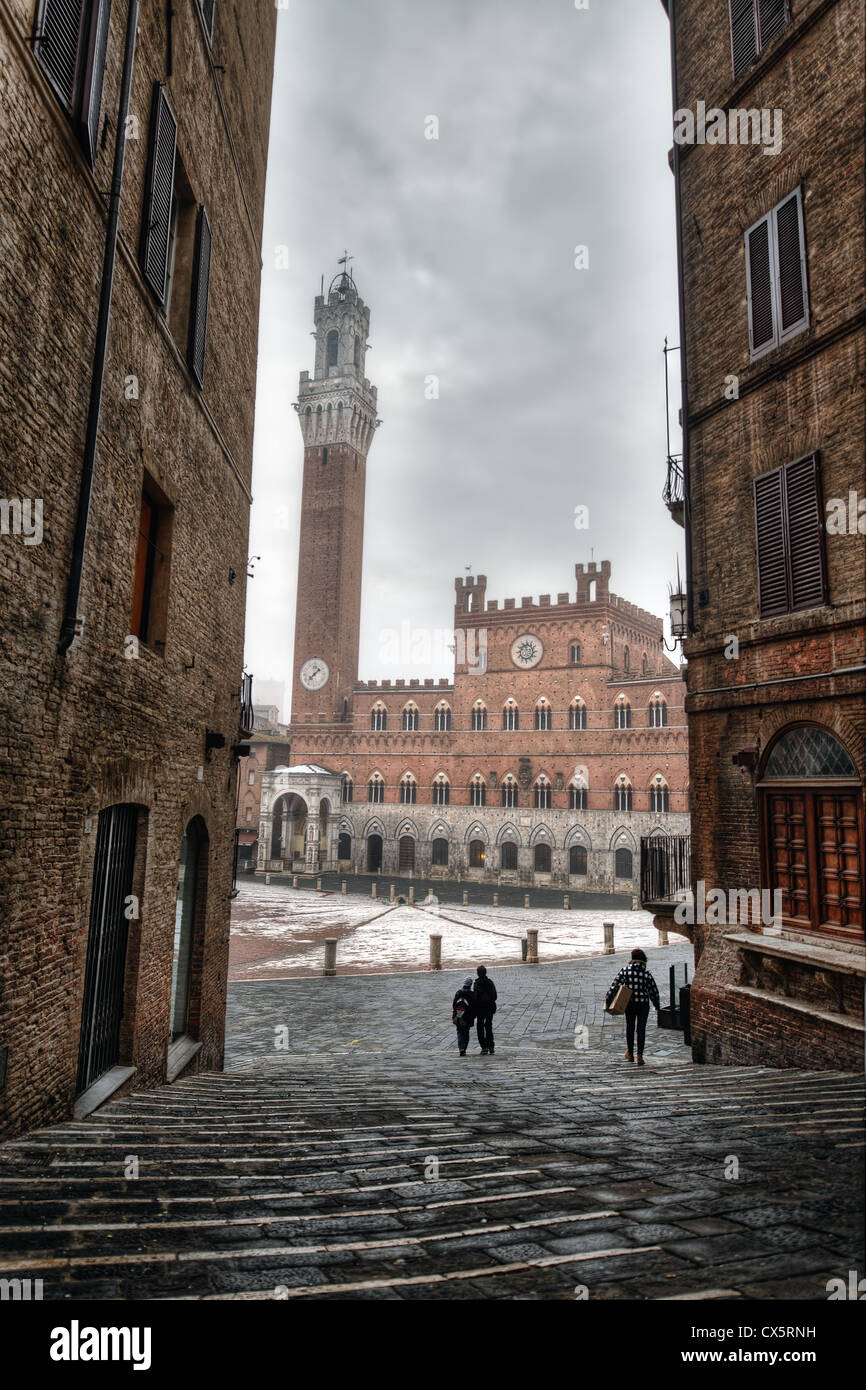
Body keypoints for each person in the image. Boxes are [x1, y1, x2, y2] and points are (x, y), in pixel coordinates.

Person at [605, 948, 660, 1065]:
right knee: (641, 1030)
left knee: (630, 1028)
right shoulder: (646, 974)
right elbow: (653, 991)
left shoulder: (625, 971)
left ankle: (630, 1054)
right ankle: (640, 1056)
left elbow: (614, 986)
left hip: (630, 1004)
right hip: (643, 1005)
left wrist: (608, 1000)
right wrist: (657, 1005)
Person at [473, 965, 497, 1055]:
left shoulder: (476, 984)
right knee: (488, 1026)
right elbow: (495, 996)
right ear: (485, 972)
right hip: (489, 1007)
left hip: (480, 1008)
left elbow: (475, 997)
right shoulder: (490, 983)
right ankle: (491, 1046)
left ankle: (484, 1047)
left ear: (478, 973)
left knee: (480, 1027)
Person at [452, 976, 475, 1056]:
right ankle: (464, 1048)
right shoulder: (471, 994)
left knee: (459, 1032)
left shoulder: (458, 992)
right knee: (466, 1032)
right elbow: (473, 1006)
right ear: (470, 984)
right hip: (467, 1017)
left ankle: (461, 1048)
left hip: (458, 1016)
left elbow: (454, 1004)